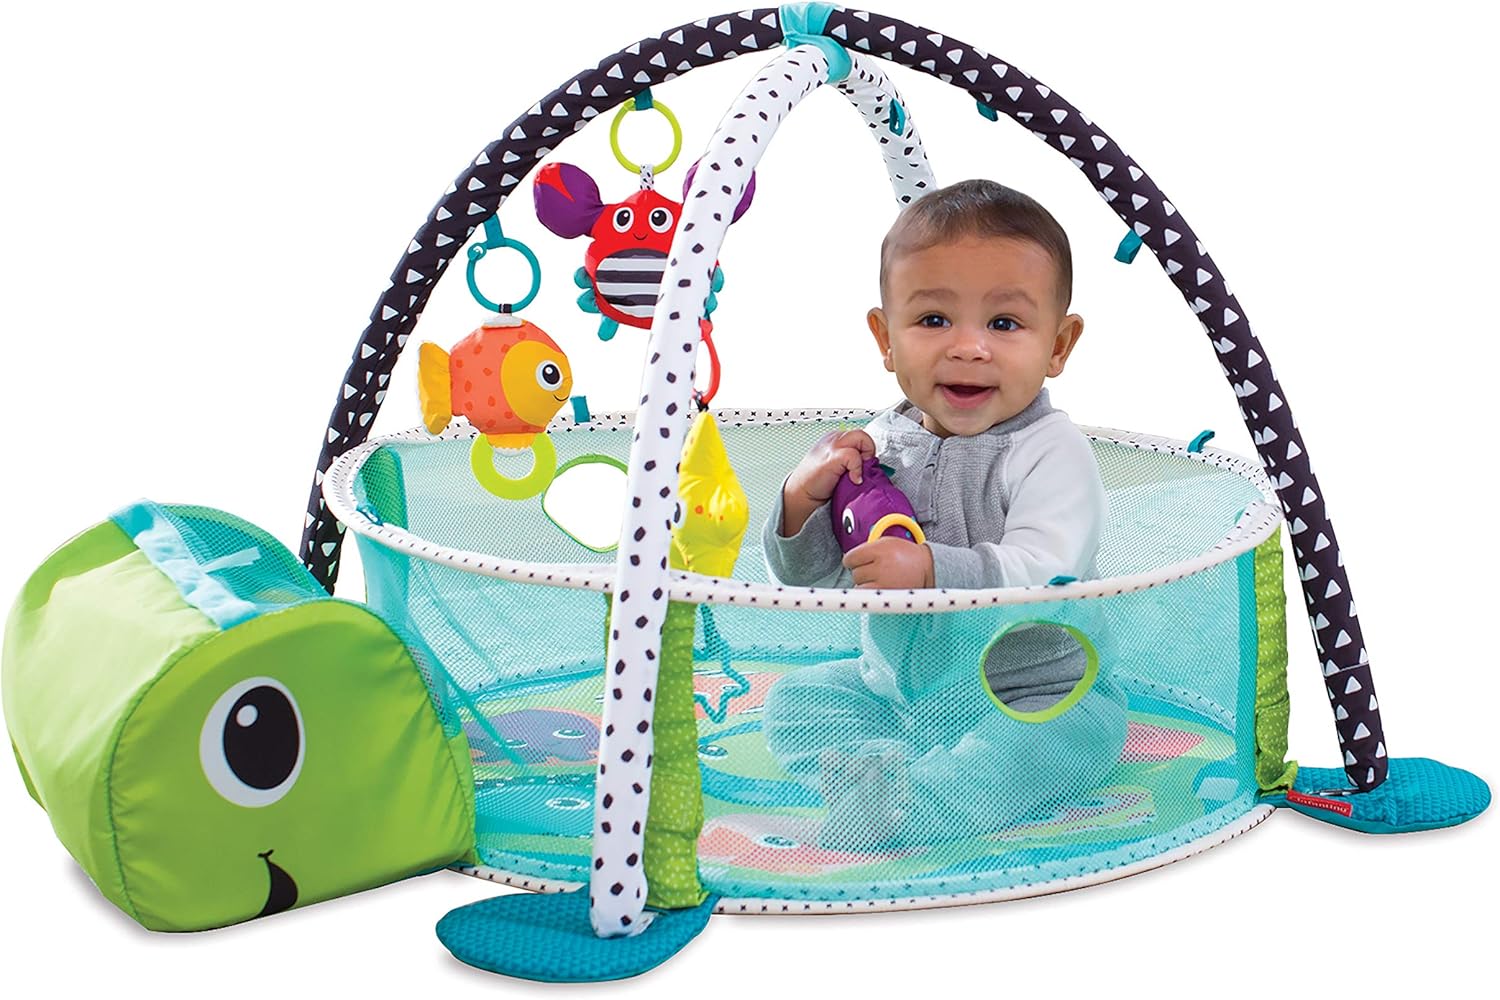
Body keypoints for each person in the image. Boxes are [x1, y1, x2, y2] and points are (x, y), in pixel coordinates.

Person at [760, 179, 1128, 850]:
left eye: (1004, 324)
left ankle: (909, 810)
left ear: (1058, 345)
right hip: (896, 695)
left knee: (1037, 749)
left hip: (1033, 694)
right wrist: (801, 500)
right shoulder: (880, 440)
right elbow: (816, 577)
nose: (968, 347)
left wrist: (930, 568)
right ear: (886, 337)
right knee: (794, 704)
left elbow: (1043, 573)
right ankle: (883, 771)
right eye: (933, 320)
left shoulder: (1051, 451)